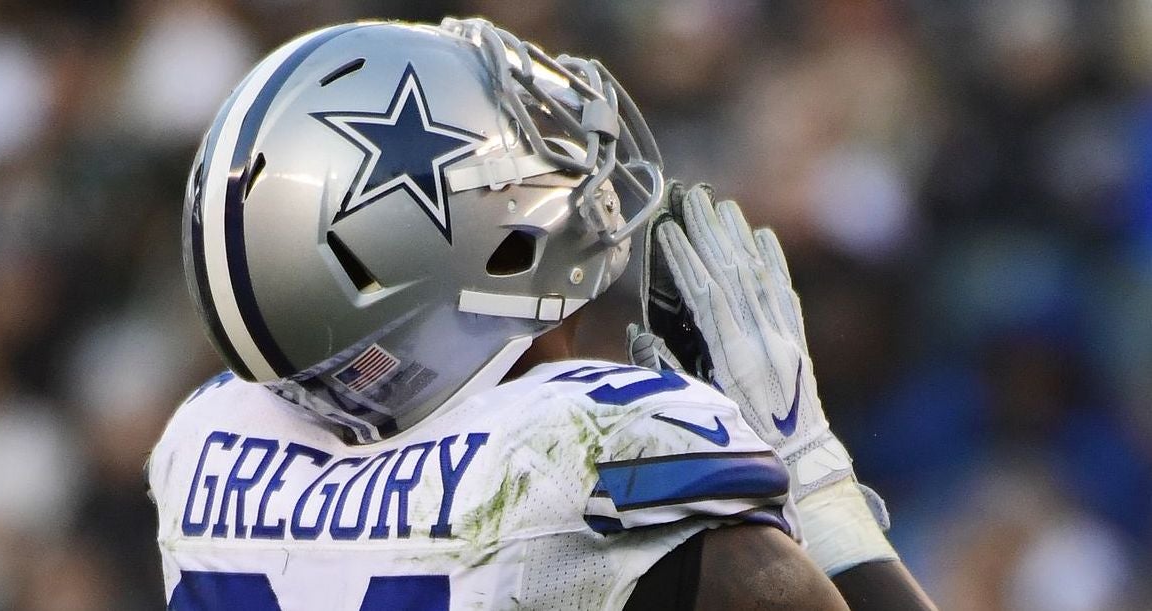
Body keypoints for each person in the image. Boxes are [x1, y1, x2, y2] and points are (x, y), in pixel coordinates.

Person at [148, 17, 935, 610]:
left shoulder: (208, 447)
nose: (557, 160)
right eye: (516, 152)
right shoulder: (582, 448)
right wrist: (816, 484)